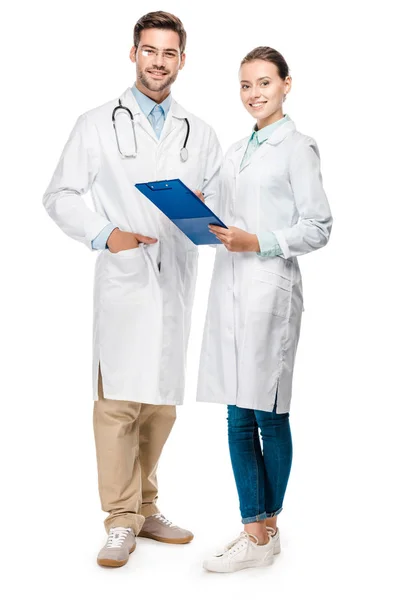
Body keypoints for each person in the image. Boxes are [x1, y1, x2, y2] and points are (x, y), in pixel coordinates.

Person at [43, 11, 221, 568]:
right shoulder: (97, 122)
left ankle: (145, 507)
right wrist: (106, 234)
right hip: (125, 278)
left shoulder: (201, 131)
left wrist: (209, 225)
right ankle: (120, 519)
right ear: (133, 53)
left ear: (182, 60)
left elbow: (218, 205)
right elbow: (61, 194)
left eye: (169, 53)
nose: (159, 62)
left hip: (176, 281)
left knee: (161, 406)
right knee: (118, 404)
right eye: (150, 51)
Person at [197, 46, 332, 573]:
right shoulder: (235, 150)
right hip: (230, 288)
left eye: (264, 83)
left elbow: (318, 226)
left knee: (268, 414)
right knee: (236, 412)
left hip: (270, 290)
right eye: (246, 85)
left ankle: (263, 528)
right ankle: (257, 530)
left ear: (286, 85)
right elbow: (219, 206)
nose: (254, 94)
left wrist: (259, 241)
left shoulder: (298, 147)